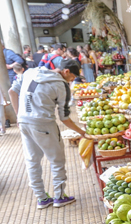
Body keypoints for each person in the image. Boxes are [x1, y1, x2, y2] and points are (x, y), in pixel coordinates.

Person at [9, 58, 86, 209]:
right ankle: (59, 197)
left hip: (24, 122)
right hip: (44, 124)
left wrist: (19, 115)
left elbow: (12, 91)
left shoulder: (30, 72)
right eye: (73, 77)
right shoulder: (61, 85)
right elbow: (64, 118)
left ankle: (42, 199)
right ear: (66, 72)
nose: (72, 81)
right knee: (56, 160)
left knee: (32, 161)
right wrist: (82, 132)